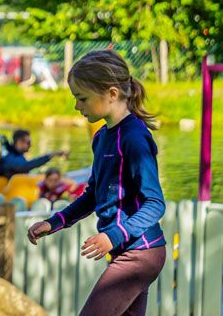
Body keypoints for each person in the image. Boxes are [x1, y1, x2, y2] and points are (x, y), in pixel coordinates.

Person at [26, 50, 166, 316]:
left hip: (140, 252)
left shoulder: (134, 139)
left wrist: (111, 237)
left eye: (82, 98)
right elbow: (93, 196)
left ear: (112, 94)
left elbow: (155, 203)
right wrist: (54, 222)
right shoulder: (102, 137)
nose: (77, 106)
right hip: (128, 250)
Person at [0, 128, 69, 178]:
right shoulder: (8, 156)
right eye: (28, 142)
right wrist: (51, 154)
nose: (30, 145)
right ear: (19, 142)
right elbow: (25, 166)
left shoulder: (16, 155)